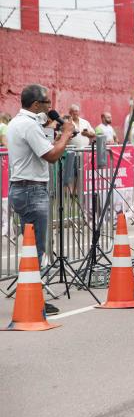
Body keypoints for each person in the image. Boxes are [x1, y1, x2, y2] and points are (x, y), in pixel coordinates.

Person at [7, 84, 74, 315]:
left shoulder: (19, 122)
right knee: (35, 249)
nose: (50, 107)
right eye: (47, 103)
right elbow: (52, 156)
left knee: (31, 248)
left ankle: (33, 296)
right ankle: (33, 300)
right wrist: (65, 134)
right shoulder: (28, 125)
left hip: (22, 188)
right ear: (36, 105)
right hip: (32, 191)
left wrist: (50, 130)